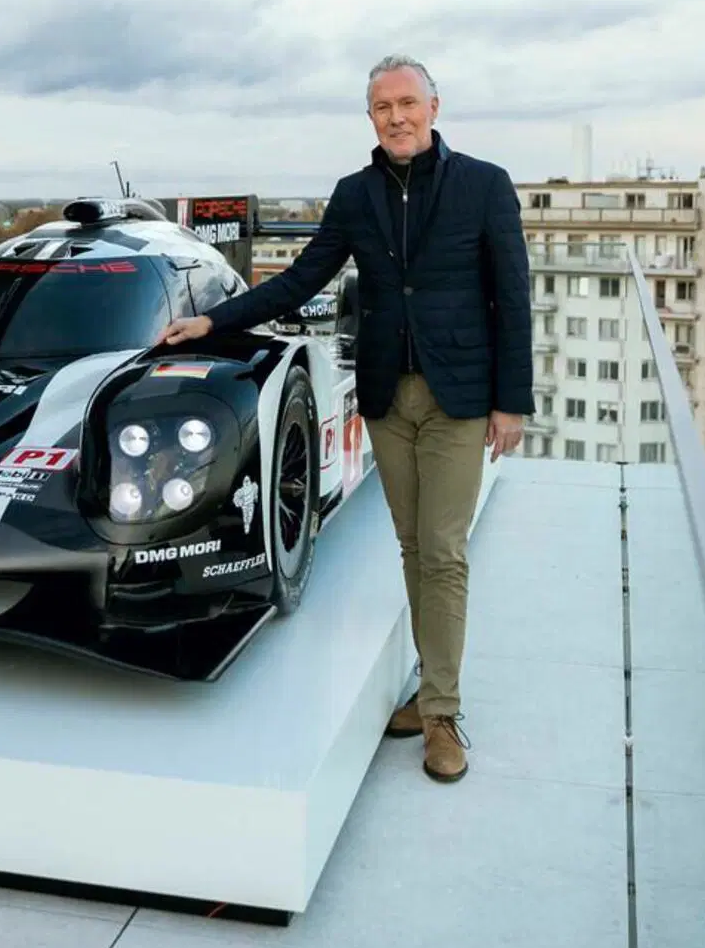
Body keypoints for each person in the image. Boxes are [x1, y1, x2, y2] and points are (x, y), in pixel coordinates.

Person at [159, 55, 531, 783]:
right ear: (370, 118)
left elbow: (511, 296)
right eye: (382, 106)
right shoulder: (355, 194)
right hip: (388, 398)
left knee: (444, 551)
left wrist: (510, 400)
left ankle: (442, 712)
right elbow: (302, 278)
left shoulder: (485, 185)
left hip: (460, 396)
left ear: (434, 106)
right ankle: (431, 687)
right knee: (410, 545)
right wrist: (210, 322)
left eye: (407, 102)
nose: (396, 116)